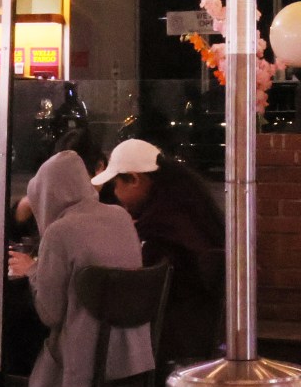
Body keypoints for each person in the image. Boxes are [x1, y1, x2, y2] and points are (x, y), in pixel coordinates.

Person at [5, 147, 153, 387]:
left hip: (84, 360)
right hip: (131, 354)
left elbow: (50, 313)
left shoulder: (60, 231)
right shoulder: (118, 217)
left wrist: (32, 271)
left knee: (10, 336)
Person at [95, 137, 226, 364]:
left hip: (169, 340)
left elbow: (141, 292)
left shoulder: (161, 228)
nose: (115, 193)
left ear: (134, 179)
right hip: (201, 331)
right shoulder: (188, 209)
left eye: (116, 184)